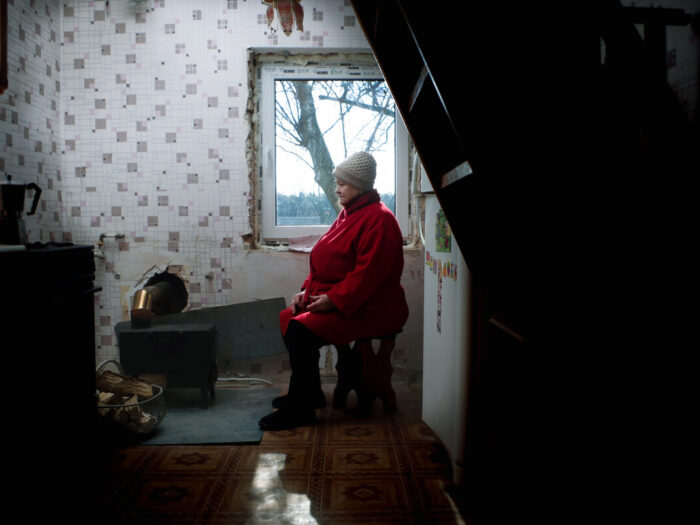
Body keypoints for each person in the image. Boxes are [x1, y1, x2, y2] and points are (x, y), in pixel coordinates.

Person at [259, 151, 409, 431]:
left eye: (343, 183)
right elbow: (326, 263)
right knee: (286, 316)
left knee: (301, 331)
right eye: (337, 182)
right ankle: (309, 392)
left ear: (360, 185)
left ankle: (301, 409)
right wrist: (306, 291)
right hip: (349, 300)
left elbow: (367, 276)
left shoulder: (380, 219)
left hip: (374, 308)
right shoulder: (350, 213)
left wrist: (333, 300)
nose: (336, 188)